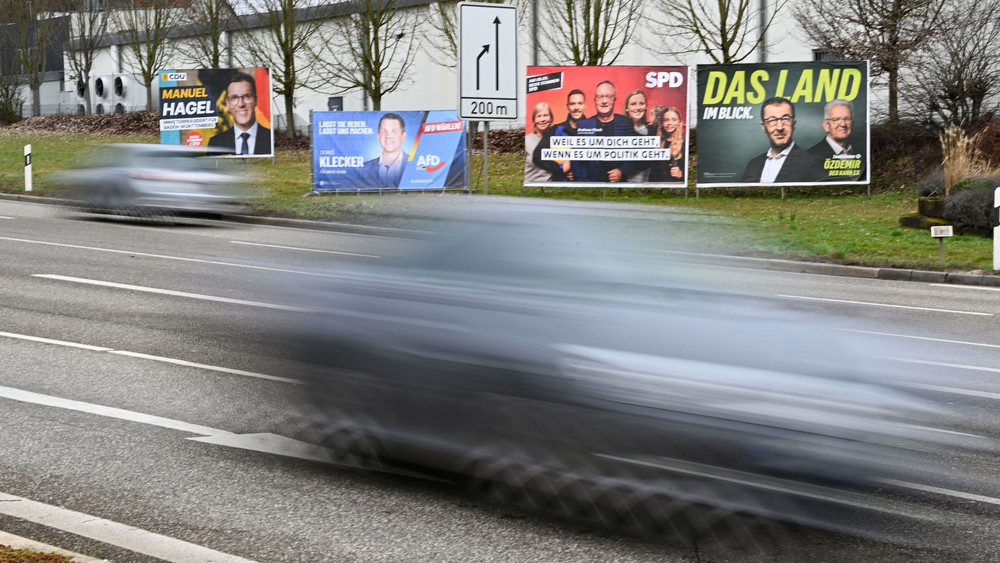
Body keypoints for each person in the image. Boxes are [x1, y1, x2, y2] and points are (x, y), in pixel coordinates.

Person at [740, 97, 815, 183]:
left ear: (793, 124)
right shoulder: (753, 164)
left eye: (785, 119)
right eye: (772, 120)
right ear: (763, 127)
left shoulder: (810, 162)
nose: (780, 127)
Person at [575, 80, 634, 183]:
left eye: (608, 97)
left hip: (618, 187)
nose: (604, 101)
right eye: (600, 97)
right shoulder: (584, 125)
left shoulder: (626, 123)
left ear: (614, 100)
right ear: (595, 100)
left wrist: (621, 171)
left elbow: (634, 153)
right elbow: (576, 159)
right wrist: (583, 184)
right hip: (590, 186)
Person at [208, 72, 271, 155]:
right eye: (234, 98)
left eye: (247, 96)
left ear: (256, 100)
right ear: (227, 103)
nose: (241, 104)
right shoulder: (215, 143)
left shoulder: (270, 138)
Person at [531, 89, 586, 181]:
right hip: (560, 185)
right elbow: (537, 155)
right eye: (572, 104)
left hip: (588, 185)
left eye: (580, 103)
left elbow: (600, 157)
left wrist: (576, 170)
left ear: (585, 106)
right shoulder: (556, 129)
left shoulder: (593, 128)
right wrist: (560, 169)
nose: (576, 107)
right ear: (567, 106)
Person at [808, 99, 864, 181]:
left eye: (847, 119)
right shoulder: (810, 157)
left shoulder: (863, 151)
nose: (843, 124)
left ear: (853, 122)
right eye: (836, 119)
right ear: (826, 125)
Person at [361, 113, 410, 188]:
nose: (388, 136)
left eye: (394, 131)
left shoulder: (413, 165)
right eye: (384, 131)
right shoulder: (364, 168)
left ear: (403, 136)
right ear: (378, 136)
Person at [622, 90, 656, 183]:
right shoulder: (620, 130)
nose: (638, 108)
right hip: (624, 184)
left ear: (646, 107)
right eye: (633, 104)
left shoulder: (653, 129)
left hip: (650, 185)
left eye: (641, 103)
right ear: (627, 108)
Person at [649, 106, 685, 182]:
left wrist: (681, 173)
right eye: (666, 120)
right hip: (656, 187)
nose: (669, 123)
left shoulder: (684, 142)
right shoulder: (656, 141)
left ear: (679, 122)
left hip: (675, 188)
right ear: (662, 123)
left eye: (674, 120)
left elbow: (691, 169)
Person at [525, 102, 555, 183]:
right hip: (531, 185)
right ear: (534, 120)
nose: (542, 119)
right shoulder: (526, 141)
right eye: (539, 116)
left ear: (551, 118)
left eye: (545, 115)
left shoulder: (557, 138)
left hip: (552, 187)